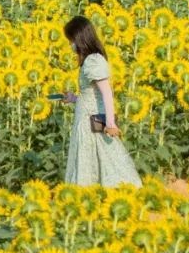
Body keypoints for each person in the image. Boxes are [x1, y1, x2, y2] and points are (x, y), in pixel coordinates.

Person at [59, 15, 142, 188]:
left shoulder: (93, 61)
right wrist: (73, 98)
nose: (70, 45)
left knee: (108, 160)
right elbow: (90, 95)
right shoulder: (89, 60)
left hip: (94, 120)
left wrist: (110, 123)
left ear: (80, 38)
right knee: (93, 159)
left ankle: (112, 193)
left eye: (71, 40)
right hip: (86, 119)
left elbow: (106, 93)